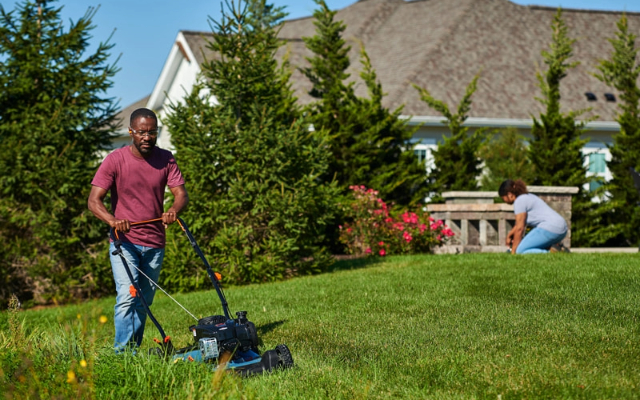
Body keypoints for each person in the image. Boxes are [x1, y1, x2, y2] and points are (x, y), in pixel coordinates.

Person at [88, 108, 188, 352]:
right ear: (131, 132)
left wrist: (174, 209)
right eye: (141, 132)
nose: (147, 137)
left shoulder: (166, 158)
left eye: (152, 132)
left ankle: (133, 351)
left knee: (143, 302)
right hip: (125, 243)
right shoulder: (115, 160)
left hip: (155, 243)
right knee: (126, 298)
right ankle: (120, 355)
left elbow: (181, 194)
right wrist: (113, 221)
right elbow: (94, 201)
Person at [499, 179, 568, 254]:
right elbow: (521, 223)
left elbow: (520, 228)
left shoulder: (519, 201)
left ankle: (553, 253)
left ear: (509, 194)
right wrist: (510, 234)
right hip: (562, 229)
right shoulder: (528, 196)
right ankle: (558, 249)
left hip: (549, 228)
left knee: (520, 251)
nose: (504, 201)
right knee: (530, 247)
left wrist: (513, 252)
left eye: (503, 198)